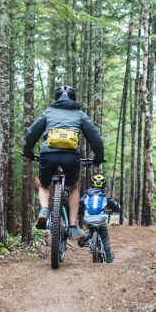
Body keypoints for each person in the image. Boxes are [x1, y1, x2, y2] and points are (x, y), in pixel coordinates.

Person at [22, 85, 104, 238]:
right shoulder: (79, 114)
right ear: (73, 99)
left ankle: (45, 209)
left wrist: (28, 152)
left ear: (56, 98)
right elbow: (96, 139)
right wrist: (98, 157)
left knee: (44, 185)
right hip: (70, 156)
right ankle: (73, 226)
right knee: (73, 187)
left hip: (48, 154)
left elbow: (31, 134)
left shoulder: (48, 112)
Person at [77, 173, 121, 263]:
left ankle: (85, 237)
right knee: (105, 237)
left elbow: (79, 205)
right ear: (104, 185)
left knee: (91, 231)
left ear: (92, 184)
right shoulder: (104, 196)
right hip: (100, 220)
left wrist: (80, 211)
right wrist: (118, 207)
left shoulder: (86, 195)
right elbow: (115, 206)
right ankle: (109, 258)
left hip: (88, 219)